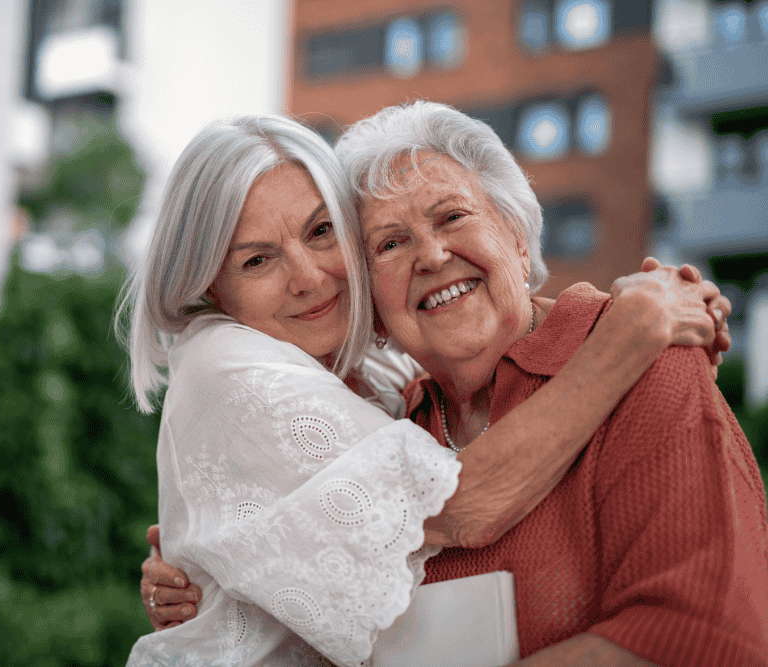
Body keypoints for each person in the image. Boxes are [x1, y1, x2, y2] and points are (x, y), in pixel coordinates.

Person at [120, 113, 731, 667]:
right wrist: (630, 335)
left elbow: (701, 632)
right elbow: (463, 504)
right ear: (209, 289)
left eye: (322, 231)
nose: (308, 277)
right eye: (256, 261)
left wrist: (227, 560)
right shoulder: (237, 367)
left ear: (518, 234)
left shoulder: (393, 393)